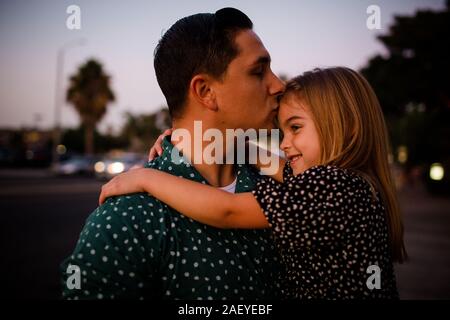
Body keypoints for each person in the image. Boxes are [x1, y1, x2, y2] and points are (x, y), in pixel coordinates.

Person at [99, 67, 407, 299]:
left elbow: (228, 210)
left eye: (295, 128)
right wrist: (192, 141)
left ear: (346, 127)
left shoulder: (332, 189)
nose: (285, 144)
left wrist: (145, 177)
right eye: (283, 132)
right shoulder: (348, 185)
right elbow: (275, 164)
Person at [60, 7, 285, 300]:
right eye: (258, 71)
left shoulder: (286, 182)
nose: (278, 85)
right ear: (205, 91)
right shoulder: (126, 220)